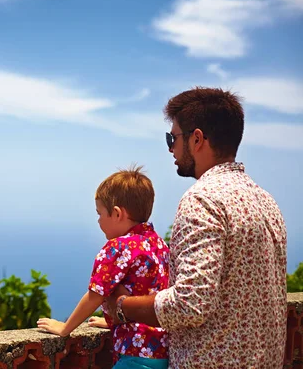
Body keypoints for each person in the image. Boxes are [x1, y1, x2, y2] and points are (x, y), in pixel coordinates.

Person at [106, 87, 287, 368]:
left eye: (173, 137)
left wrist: (121, 306)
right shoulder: (265, 200)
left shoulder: (202, 199)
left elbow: (189, 304)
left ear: (197, 139)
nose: (170, 148)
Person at [37, 166, 170, 369]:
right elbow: (145, 291)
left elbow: (96, 294)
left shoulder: (117, 247)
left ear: (117, 213)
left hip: (135, 355)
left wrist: (65, 328)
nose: (98, 220)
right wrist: (112, 322)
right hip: (163, 351)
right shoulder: (158, 244)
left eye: (100, 213)